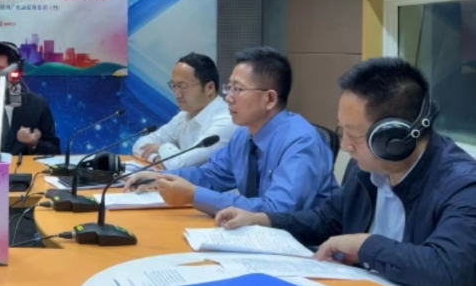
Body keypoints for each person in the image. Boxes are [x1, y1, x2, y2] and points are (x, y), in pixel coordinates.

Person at [215, 58, 476, 286]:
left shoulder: (463, 184)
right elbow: (328, 219)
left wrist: (364, 246)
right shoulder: (367, 168)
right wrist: (264, 220)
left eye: (354, 134)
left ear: (394, 139)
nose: (345, 146)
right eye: (343, 130)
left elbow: (449, 268)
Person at [124, 47, 337, 215]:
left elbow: (278, 210)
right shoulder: (244, 134)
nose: (228, 97)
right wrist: (160, 177)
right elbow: (210, 175)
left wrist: (194, 195)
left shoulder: (301, 141)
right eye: (229, 88)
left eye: (238, 89)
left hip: (305, 247)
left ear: (270, 99)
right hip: (255, 236)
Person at [132, 53, 236, 170]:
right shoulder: (184, 116)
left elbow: (181, 165)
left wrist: (162, 148)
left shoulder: (226, 121)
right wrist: (157, 159)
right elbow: (140, 145)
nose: (177, 94)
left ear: (209, 88)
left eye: (183, 86)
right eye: (174, 86)